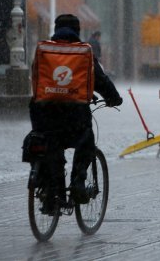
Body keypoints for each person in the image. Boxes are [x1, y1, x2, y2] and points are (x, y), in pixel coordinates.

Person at [29, 14, 122, 207]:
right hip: (74, 114)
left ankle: (49, 188)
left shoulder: (43, 50)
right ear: (77, 31)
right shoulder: (83, 52)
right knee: (85, 142)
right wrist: (114, 98)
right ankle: (78, 184)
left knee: (48, 143)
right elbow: (101, 80)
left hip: (43, 113)